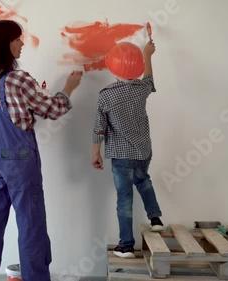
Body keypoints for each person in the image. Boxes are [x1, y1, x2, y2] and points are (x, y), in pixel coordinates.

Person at [0, 20, 83, 281]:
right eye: (17, 39)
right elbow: (52, 109)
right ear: (5, 44)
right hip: (20, 161)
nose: (22, 43)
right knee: (31, 225)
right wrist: (68, 88)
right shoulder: (17, 79)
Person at [91, 40, 164, 259]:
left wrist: (95, 153)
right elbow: (149, 80)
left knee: (124, 198)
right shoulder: (141, 89)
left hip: (121, 157)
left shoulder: (106, 95)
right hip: (143, 151)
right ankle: (155, 218)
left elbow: (99, 129)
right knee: (144, 181)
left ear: (112, 68)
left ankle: (126, 246)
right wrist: (147, 54)